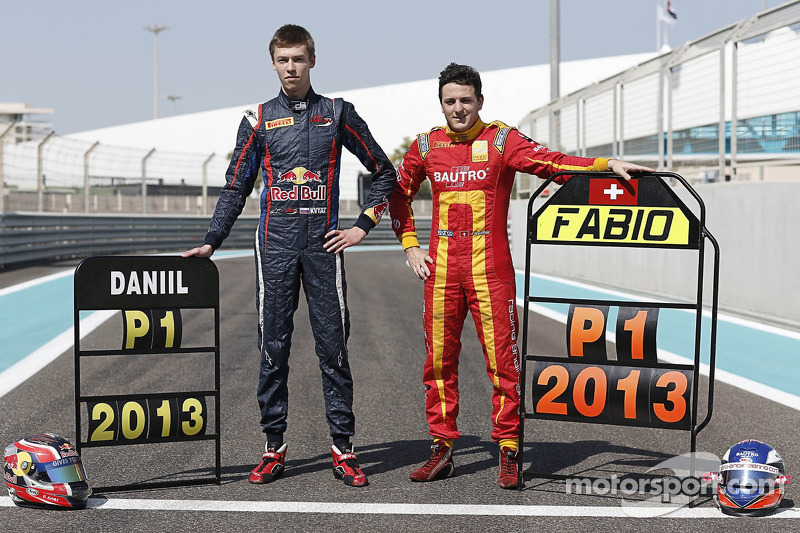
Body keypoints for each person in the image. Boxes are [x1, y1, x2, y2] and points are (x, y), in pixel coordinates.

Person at [390, 63, 654, 489]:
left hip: (490, 273)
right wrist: (411, 246)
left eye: (466, 100)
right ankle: (442, 450)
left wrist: (606, 164)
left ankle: (509, 449)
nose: (458, 108)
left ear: (480, 100)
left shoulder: (501, 139)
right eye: (450, 101)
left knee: (503, 365)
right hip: (440, 275)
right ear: (441, 103)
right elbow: (396, 196)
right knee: (438, 365)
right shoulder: (425, 145)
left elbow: (554, 163)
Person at [183, 24, 395, 488]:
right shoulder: (257, 119)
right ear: (273, 63)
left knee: (333, 349)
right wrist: (213, 239)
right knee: (272, 349)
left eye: (299, 59)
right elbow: (236, 185)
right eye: (283, 60)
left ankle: (343, 449)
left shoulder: (338, 113)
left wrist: (363, 225)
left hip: (323, 248)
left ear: (312, 61)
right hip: (274, 247)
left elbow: (385, 172)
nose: (292, 67)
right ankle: (273, 447)